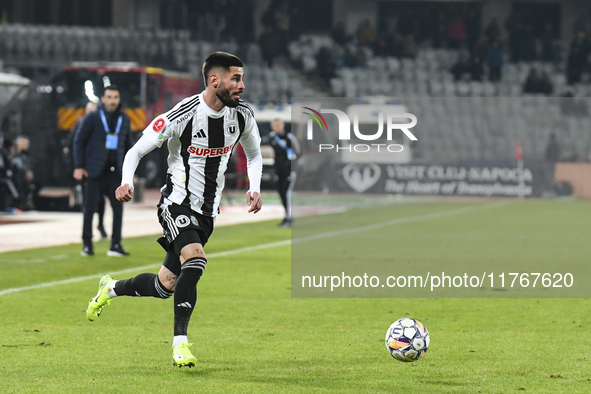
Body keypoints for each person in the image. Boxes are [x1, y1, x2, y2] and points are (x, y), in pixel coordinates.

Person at [85, 52, 263, 368]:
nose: (242, 85)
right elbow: (136, 150)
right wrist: (126, 181)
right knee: (195, 258)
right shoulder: (183, 114)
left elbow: (254, 155)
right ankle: (180, 343)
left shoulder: (242, 117)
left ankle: (110, 289)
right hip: (176, 203)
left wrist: (255, 186)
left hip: (207, 213)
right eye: (236, 78)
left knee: (165, 284)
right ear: (215, 80)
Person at [73, 86, 134, 257]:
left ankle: (115, 245)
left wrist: (131, 173)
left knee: (118, 210)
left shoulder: (124, 118)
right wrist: (79, 166)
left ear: (119, 99)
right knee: (89, 208)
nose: (112, 100)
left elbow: (130, 146)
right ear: (103, 99)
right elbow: (79, 141)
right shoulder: (92, 117)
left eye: (115, 97)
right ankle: (87, 244)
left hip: (116, 173)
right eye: (109, 97)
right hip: (94, 171)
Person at [70, 102, 107, 238]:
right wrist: (78, 167)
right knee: (88, 203)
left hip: (99, 169)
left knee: (101, 200)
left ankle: (100, 225)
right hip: (85, 170)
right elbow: (73, 147)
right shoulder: (79, 126)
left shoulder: (102, 126)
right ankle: (88, 232)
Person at [269, 118, 299, 227]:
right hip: (279, 170)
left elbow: (297, 153)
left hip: (288, 170)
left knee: (287, 193)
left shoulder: (289, 137)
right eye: (274, 125)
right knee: (281, 193)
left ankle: (288, 217)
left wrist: (293, 169)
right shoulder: (272, 137)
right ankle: (286, 215)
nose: (276, 127)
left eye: (278, 125)